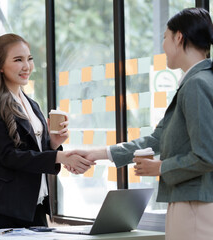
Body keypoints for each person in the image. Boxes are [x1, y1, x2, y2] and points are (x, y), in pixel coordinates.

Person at [68, 8, 213, 240]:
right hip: (190, 204)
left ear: (179, 37)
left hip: (195, 206)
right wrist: (96, 154)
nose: (163, 46)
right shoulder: (196, 82)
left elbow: (206, 155)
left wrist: (160, 168)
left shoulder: (197, 84)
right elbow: (155, 139)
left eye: (165, 38)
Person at [0, 33, 91, 231]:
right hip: (2, 207)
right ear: (0, 66)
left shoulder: (32, 105)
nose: (27, 66)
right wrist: (59, 156)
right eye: (18, 60)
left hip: (34, 205)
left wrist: (53, 143)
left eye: (29, 59)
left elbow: (35, 152)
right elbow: (8, 156)